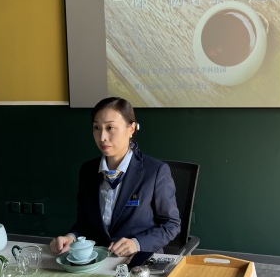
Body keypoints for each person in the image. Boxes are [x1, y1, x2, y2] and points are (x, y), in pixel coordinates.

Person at [50, 97, 181, 257]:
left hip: (139, 259)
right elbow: (84, 222)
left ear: (131, 129)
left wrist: (136, 243)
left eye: (110, 127)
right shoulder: (88, 170)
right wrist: (71, 237)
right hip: (97, 258)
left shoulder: (155, 171)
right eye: (96, 128)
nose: (102, 137)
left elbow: (171, 225)